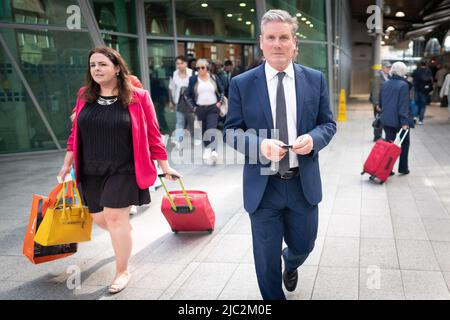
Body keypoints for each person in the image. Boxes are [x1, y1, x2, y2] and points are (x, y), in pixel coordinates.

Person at [224, 9, 336, 300]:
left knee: (305, 244)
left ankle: (292, 261)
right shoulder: (242, 83)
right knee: (265, 258)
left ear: (294, 42)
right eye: (271, 38)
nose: (277, 44)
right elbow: (231, 130)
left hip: (302, 184)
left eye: (283, 37)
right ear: (261, 42)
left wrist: (313, 139)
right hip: (264, 186)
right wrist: (259, 145)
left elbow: (328, 123)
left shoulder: (314, 79)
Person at [58, 47, 181, 294]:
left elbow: (153, 135)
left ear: (117, 68)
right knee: (100, 218)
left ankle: (122, 270)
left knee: (114, 217)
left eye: (102, 64)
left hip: (124, 168)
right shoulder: (84, 95)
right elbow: (75, 134)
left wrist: (165, 167)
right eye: (93, 65)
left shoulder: (138, 97)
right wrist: (66, 164)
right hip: (91, 169)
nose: (96, 69)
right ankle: (123, 232)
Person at [186, 58, 224, 165]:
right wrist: (193, 107)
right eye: (198, 68)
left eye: (202, 67)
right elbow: (188, 95)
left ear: (207, 68)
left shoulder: (214, 78)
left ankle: (214, 151)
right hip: (200, 109)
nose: (200, 70)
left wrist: (219, 102)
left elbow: (221, 91)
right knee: (204, 131)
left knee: (211, 129)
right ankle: (207, 149)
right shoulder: (193, 79)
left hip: (213, 108)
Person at [379, 61, 414, 175]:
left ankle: (387, 169)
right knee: (405, 144)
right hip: (400, 121)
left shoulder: (386, 83)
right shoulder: (403, 85)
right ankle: (403, 168)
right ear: (403, 72)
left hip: (386, 119)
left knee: (390, 144)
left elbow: (381, 103)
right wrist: (405, 122)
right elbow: (403, 105)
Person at [169, 55, 193, 150]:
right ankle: (179, 141)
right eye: (177, 63)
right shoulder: (174, 74)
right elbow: (171, 88)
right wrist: (171, 101)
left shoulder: (192, 73)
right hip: (179, 101)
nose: (179, 65)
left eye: (181, 63)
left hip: (191, 102)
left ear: (186, 63)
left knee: (192, 122)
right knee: (180, 122)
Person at [371, 61, 391, 141]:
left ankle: (383, 136)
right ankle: (377, 136)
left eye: (389, 67)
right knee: (378, 119)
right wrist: (377, 104)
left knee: (384, 119)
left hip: (386, 102)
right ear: (382, 67)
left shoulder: (389, 76)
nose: (389, 69)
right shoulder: (378, 76)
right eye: (387, 67)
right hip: (379, 102)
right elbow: (375, 91)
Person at [412, 60, 433, 125]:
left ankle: (414, 117)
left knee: (416, 104)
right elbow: (431, 80)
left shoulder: (416, 71)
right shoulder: (428, 71)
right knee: (423, 106)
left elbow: (412, 79)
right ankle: (420, 120)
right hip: (425, 91)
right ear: (426, 64)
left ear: (420, 64)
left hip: (416, 89)